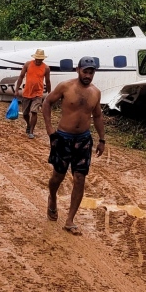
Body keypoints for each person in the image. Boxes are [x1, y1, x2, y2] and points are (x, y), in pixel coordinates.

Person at [42, 57, 106, 236]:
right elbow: (47, 102)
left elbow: (98, 116)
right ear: (78, 70)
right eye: (85, 71)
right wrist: (49, 129)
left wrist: (102, 139)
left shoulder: (95, 92)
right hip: (63, 138)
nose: (87, 75)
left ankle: (70, 220)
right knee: (58, 176)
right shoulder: (65, 86)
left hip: (84, 140)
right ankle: (52, 198)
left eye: (91, 72)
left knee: (80, 178)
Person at [15, 49, 51, 139]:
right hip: (27, 92)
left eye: (40, 59)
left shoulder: (46, 68)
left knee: (34, 111)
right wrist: (16, 89)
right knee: (25, 114)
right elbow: (21, 76)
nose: (38, 61)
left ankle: (31, 131)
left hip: (38, 93)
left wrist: (50, 94)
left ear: (43, 59)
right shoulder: (28, 64)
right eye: (37, 59)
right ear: (34, 58)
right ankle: (28, 124)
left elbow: (48, 81)